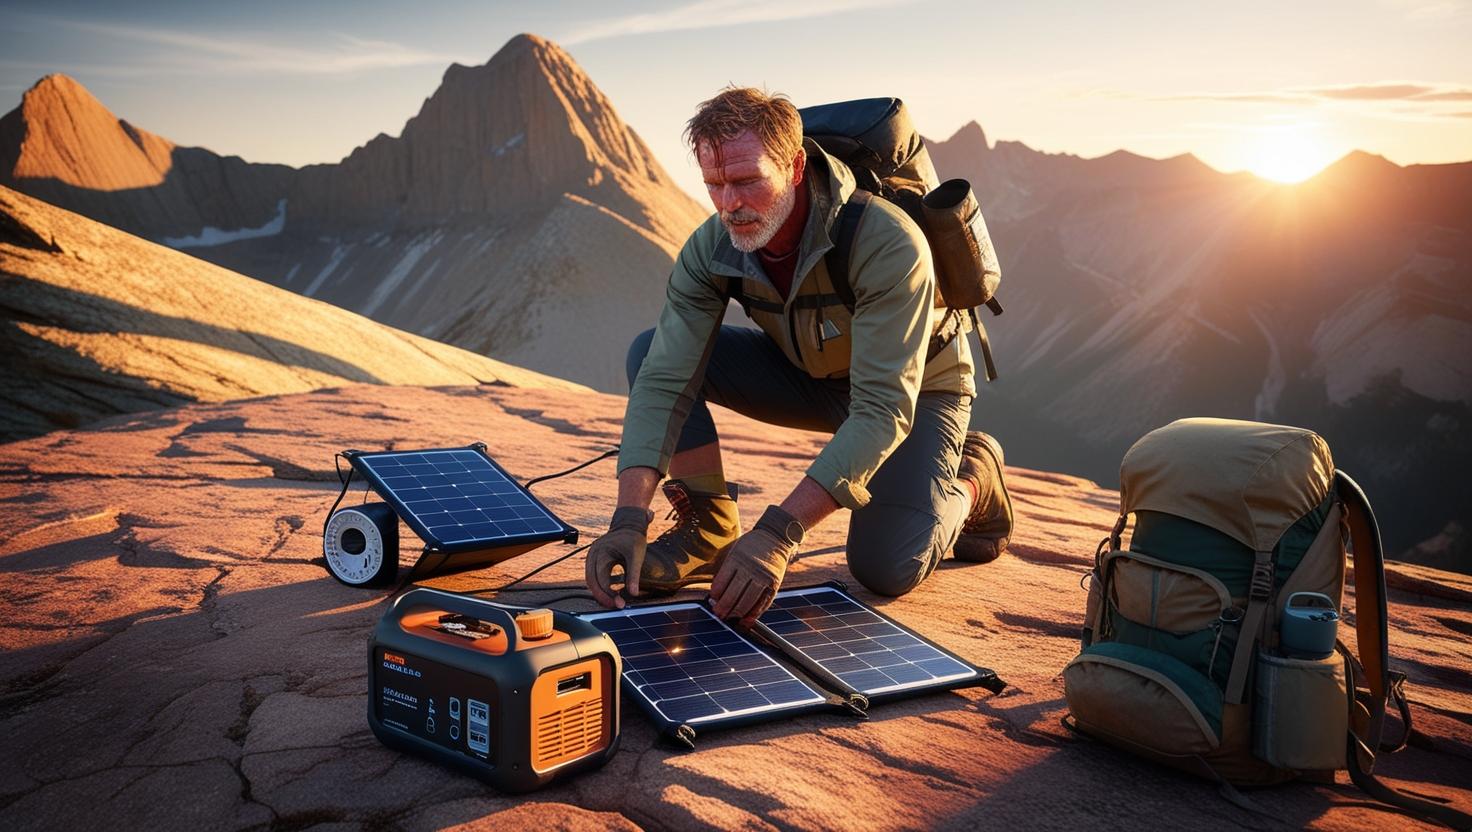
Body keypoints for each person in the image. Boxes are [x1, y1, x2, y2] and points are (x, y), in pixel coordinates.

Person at [585, 87, 1012, 625]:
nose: (728, 203)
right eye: (714, 184)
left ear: (793, 167)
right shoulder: (712, 246)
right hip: (810, 373)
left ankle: (973, 475)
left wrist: (778, 533)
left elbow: (883, 410)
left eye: (746, 181)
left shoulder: (885, 240)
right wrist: (628, 518)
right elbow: (665, 377)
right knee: (649, 352)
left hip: (916, 390)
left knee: (887, 567)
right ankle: (711, 528)